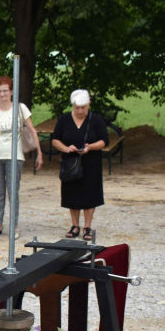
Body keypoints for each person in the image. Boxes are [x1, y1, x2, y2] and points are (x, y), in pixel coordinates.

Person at [0, 76, 42, 238]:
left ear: (11, 92)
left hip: (15, 155)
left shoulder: (20, 108)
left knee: (13, 191)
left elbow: (32, 130)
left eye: (5, 91)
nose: (2, 94)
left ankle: (14, 225)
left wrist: (39, 152)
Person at [51, 90, 108, 241]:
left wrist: (91, 147)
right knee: (72, 192)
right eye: (77, 108)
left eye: (84, 107)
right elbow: (55, 139)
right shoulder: (64, 119)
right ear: (73, 105)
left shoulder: (96, 119)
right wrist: (66, 148)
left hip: (91, 162)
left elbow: (104, 141)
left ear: (89, 105)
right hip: (71, 162)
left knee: (90, 193)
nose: (81, 111)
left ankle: (87, 226)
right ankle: (74, 225)